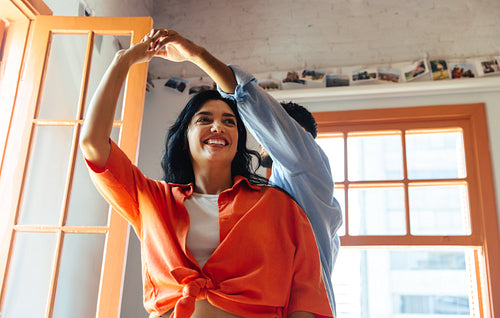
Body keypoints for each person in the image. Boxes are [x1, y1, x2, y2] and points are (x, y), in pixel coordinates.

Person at [80, 29, 333, 318]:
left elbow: (306, 297)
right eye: (204, 119)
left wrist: (196, 54)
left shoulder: (279, 205)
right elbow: (93, 144)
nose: (218, 127)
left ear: (238, 140)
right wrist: (123, 61)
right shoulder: (152, 198)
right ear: (185, 136)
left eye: (229, 121)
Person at [153, 29, 343, 316]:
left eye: (269, 132)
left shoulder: (306, 169)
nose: (259, 140)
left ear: (296, 134)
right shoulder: (271, 190)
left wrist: (197, 56)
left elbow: (252, 103)